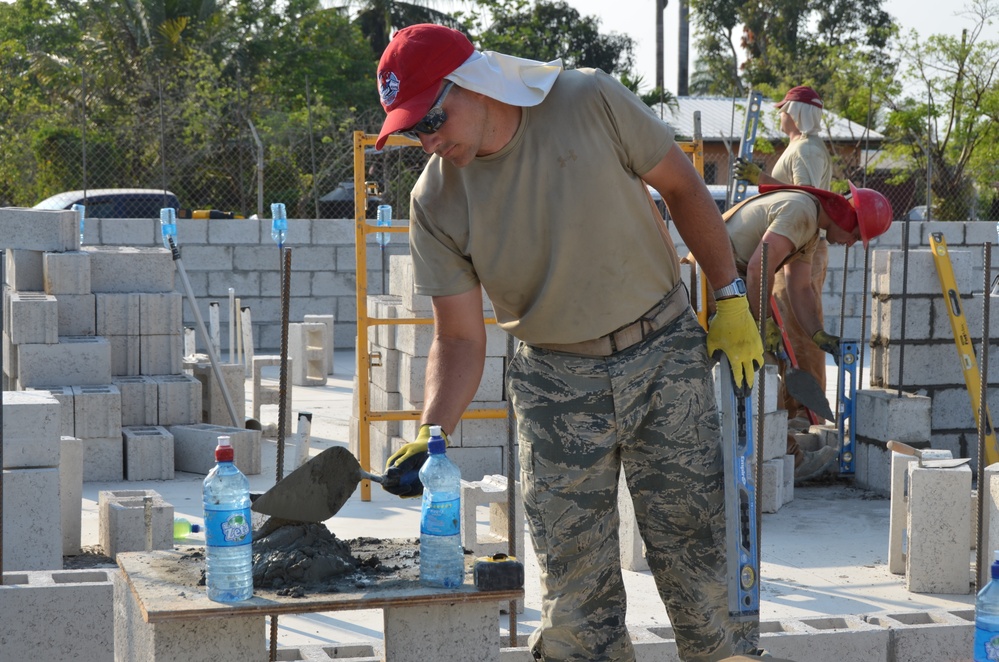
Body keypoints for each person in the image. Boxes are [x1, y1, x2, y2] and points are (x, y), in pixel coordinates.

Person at [374, 23, 764, 662]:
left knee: (702, 571)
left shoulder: (587, 100)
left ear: (472, 82)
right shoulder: (435, 201)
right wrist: (432, 432)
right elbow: (461, 338)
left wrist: (728, 297)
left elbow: (683, 186)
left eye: (433, 119)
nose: (429, 141)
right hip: (555, 385)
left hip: (662, 353)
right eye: (414, 130)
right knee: (575, 606)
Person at [717, 182, 893, 481]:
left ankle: (775, 456)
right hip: (719, 276)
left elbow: (799, 287)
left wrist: (817, 334)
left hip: (732, 278)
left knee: (767, 370)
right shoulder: (801, 212)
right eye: (854, 235)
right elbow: (759, 268)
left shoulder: (810, 228)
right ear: (847, 217)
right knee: (763, 368)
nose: (850, 243)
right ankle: (789, 461)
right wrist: (765, 326)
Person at [734, 85, 833, 426]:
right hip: (790, 240)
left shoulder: (806, 148)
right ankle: (794, 409)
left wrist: (760, 179)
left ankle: (810, 414)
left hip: (800, 241)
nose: (779, 115)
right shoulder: (799, 146)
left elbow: (805, 197)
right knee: (787, 327)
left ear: (795, 111)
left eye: (782, 109)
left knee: (797, 326)